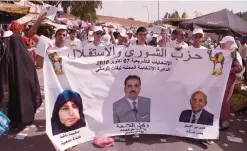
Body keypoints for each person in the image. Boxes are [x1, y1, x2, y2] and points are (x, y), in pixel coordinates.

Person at [0, 34, 42, 131]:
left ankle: (16, 122)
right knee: (26, 100)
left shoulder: (7, 56)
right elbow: (33, 72)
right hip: (27, 86)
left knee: (15, 102)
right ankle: (27, 118)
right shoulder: (26, 55)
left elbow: (3, 74)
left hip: (13, 87)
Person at [219, 36, 242, 130]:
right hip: (219, 79)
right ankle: (218, 118)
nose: (222, 45)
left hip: (229, 80)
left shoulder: (234, 54)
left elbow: (239, 68)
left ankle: (225, 121)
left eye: (224, 44)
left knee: (226, 100)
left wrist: (229, 70)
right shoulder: (221, 51)